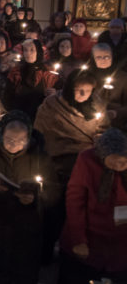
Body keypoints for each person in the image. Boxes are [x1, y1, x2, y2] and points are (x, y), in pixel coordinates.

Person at [0, 111, 60, 284]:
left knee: (18, 274)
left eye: (21, 141)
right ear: (1, 134)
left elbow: (53, 190)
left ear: (29, 138)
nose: (14, 145)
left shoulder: (40, 156)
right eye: (9, 139)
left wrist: (35, 198)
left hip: (24, 230)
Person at [34, 68, 109, 262]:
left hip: (86, 169)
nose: (83, 94)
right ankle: (45, 252)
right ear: (69, 88)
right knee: (53, 214)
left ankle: (74, 253)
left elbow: (105, 131)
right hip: (58, 169)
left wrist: (100, 139)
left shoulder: (98, 106)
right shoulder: (52, 106)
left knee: (79, 215)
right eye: (78, 89)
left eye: (87, 90)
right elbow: (40, 133)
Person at [58, 128, 127, 283]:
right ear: (103, 157)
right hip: (90, 239)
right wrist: (78, 240)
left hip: (120, 244)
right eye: (114, 159)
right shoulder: (87, 160)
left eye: (123, 160)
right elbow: (75, 201)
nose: (120, 164)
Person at [4, 39, 59, 120]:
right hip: (19, 116)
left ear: (38, 52)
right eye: (25, 50)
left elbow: (59, 94)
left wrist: (55, 93)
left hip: (41, 117)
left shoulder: (48, 73)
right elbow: (8, 95)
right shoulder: (16, 72)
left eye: (32, 50)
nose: (28, 53)